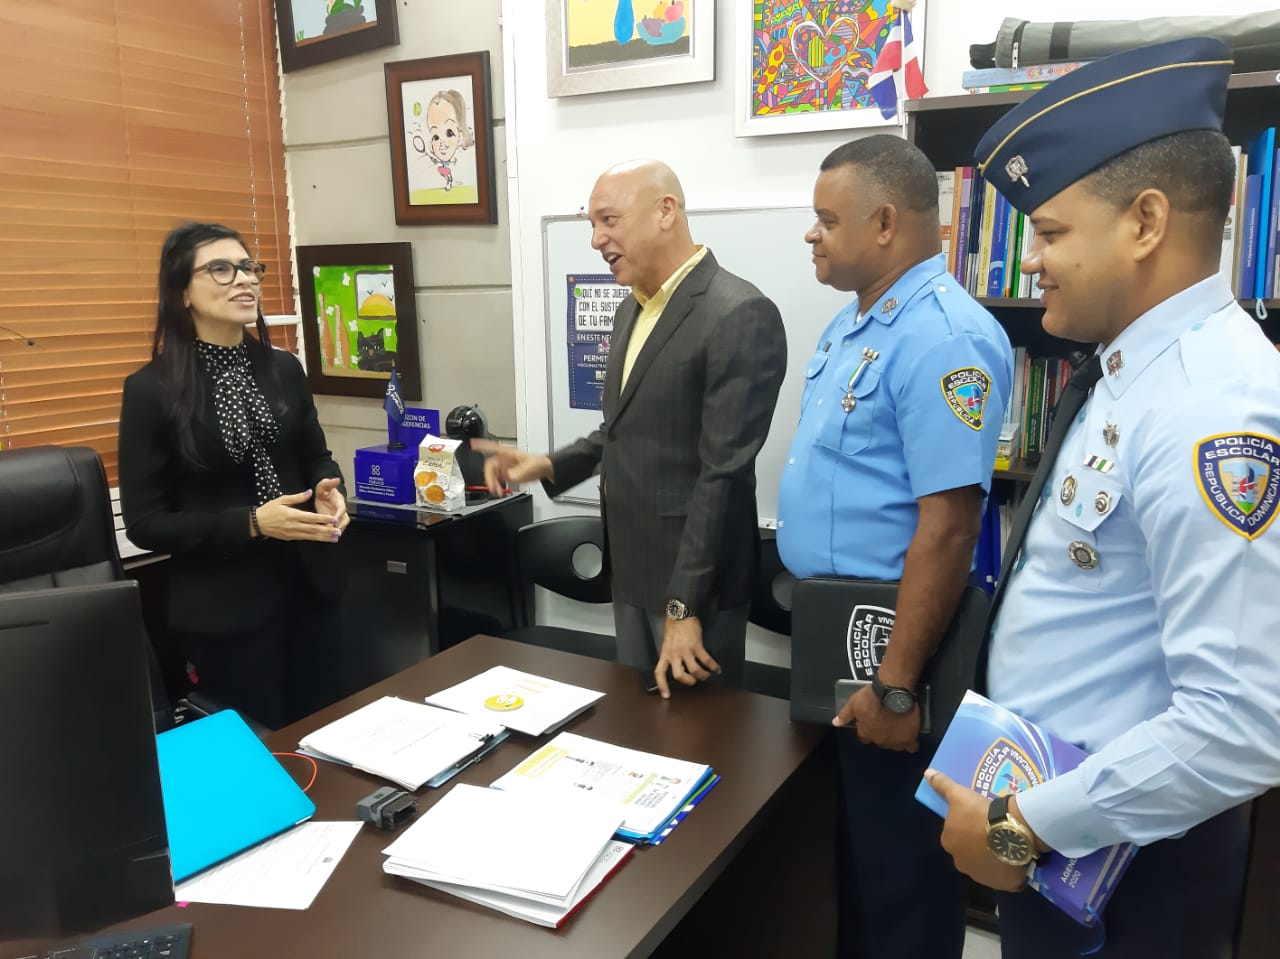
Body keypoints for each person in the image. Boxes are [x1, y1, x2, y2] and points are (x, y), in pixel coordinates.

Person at [924, 38, 1280, 958]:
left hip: (1128, 876)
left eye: (1049, 233)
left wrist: (1022, 828)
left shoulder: (1214, 401)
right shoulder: (1131, 369)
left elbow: (1242, 724)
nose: (1034, 260)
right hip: (1064, 838)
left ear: (1146, 221)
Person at [776, 135, 1013, 959]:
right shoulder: (856, 325)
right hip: (829, 633)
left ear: (883, 222)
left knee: (902, 881)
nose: (812, 234)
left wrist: (899, 686)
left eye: (824, 219)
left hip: (889, 645)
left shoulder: (946, 338)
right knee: (845, 867)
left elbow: (947, 529)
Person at [476, 159, 787, 697]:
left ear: (665, 211)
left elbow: (724, 474)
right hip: (633, 569)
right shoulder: (632, 310)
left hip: (696, 587)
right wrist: (548, 465)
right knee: (640, 738)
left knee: (699, 745)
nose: (597, 239)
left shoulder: (739, 313)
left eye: (609, 220)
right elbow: (621, 429)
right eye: (591, 225)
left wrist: (684, 605)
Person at [119, 222, 349, 730]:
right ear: (182, 292)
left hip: (311, 587)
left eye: (248, 267)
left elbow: (316, 456)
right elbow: (146, 521)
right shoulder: (150, 391)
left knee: (330, 736)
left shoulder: (283, 368)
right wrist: (252, 523)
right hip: (226, 608)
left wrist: (332, 489)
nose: (244, 280)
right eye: (221, 269)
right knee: (258, 756)